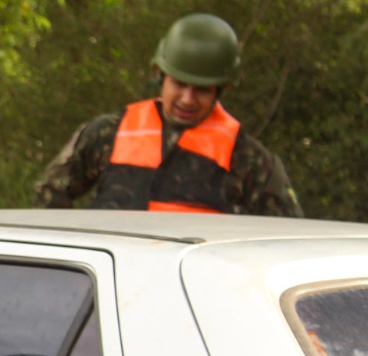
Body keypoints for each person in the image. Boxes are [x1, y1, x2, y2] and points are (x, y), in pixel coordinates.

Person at [34, 13, 302, 216]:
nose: (187, 99)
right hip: (112, 285)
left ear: (223, 89)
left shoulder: (248, 158)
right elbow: (50, 193)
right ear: (159, 74)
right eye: (179, 83)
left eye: (202, 90)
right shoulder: (108, 133)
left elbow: (286, 235)